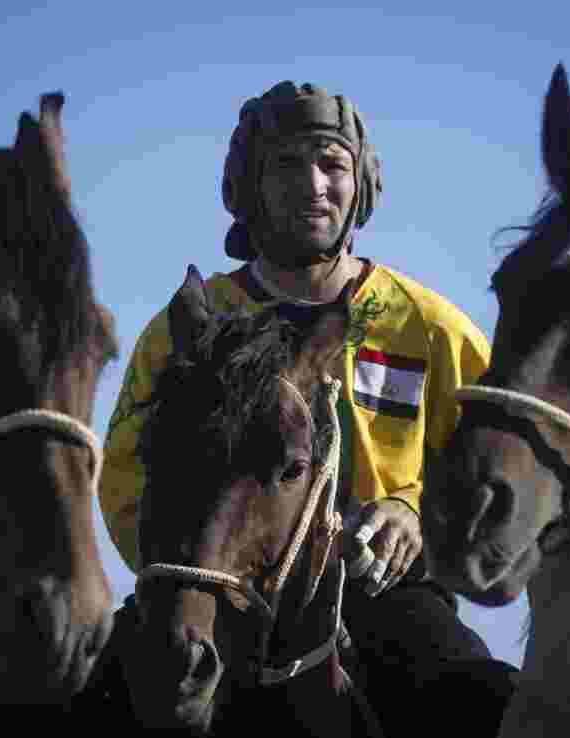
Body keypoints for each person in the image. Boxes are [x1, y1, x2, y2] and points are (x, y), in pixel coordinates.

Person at [100, 81, 517, 734]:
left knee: (491, 709)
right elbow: (125, 481)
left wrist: (417, 522)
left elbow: (501, 492)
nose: (313, 184)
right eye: (287, 164)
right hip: (211, 603)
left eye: (332, 163)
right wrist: (201, 576)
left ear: (363, 184)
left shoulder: (432, 328)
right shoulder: (187, 326)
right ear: (249, 187)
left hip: (389, 603)